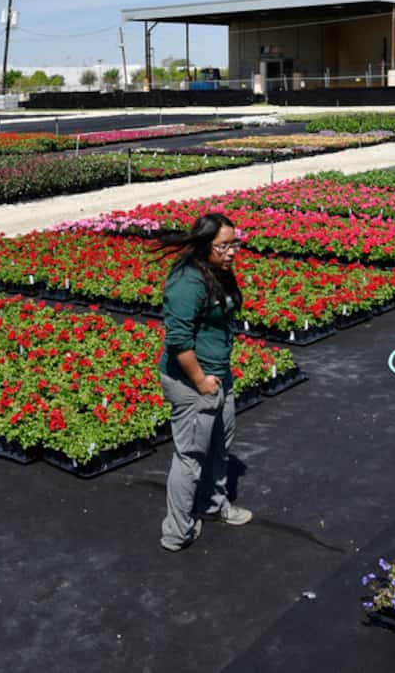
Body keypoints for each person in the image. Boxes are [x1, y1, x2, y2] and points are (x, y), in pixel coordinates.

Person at [157, 212, 253, 552]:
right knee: (190, 455)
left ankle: (212, 506)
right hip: (192, 382)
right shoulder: (187, 282)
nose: (231, 252)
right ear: (203, 245)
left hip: (218, 374)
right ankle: (177, 532)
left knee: (219, 445)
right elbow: (178, 340)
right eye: (223, 246)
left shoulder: (216, 272)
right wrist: (200, 381)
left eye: (234, 244)